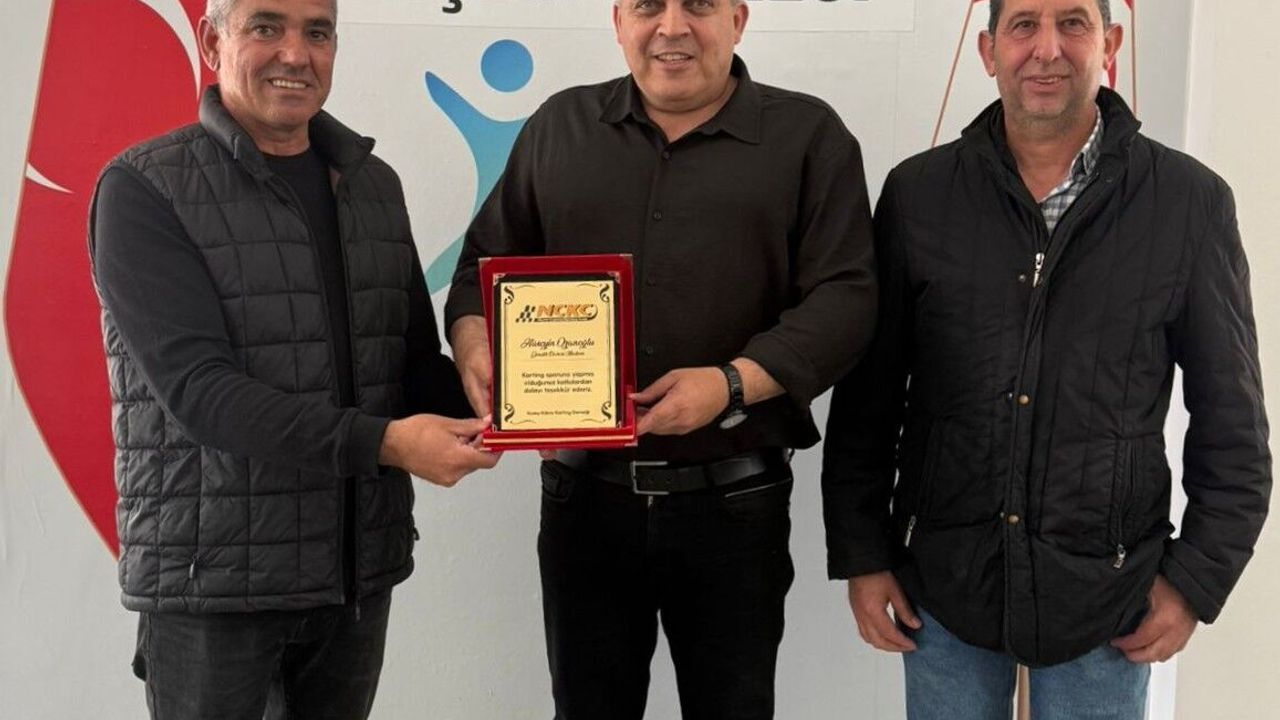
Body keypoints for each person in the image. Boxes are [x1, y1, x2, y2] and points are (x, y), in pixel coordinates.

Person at [821, 0, 1271, 718]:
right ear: (988, 50)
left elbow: (1234, 428)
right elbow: (867, 404)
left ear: (1110, 43)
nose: (1048, 48)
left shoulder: (1189, 203)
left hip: (1108, 598)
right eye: (1024, 24)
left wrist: (1195, 581)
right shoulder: (918, 195)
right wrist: (865, 556)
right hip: (943, 585)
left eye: (1073, 23)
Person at [444, 0, 875, 716]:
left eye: (698, 5)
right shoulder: (559, 126)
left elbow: (847, 297)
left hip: (735, 507)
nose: (672, 26)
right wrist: (475, 345)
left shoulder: (808, 136)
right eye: (648, 6)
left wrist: (732, 384)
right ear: (619, 21)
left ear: (738, 19)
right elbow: (480, 269)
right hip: (584, 503)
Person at [88, 1, 499, 717]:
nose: (295, 54)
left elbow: (405, 364)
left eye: (317, 32)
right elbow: (202, 395)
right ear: (213, 41)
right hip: (213, 590)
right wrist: (389, 444)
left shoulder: (373, 186)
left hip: (353, 580)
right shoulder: (146, 188)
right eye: (266, 27)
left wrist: (519, 399)